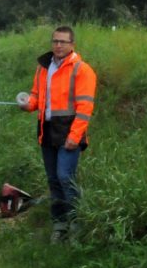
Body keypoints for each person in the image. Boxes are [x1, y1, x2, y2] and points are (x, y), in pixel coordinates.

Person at [18, 26, 96, 243]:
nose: (58, 45)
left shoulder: (82, 70)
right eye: (55, 41)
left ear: (72, 45)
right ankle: (59, 224)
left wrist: (75, 136)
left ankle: (77, 222)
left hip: (70, 133)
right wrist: (28, 104)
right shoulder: (44, 67)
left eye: (63, 42)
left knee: (65, 177)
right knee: (53, 180)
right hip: (47, 130)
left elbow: (85, 107)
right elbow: (36, 97)